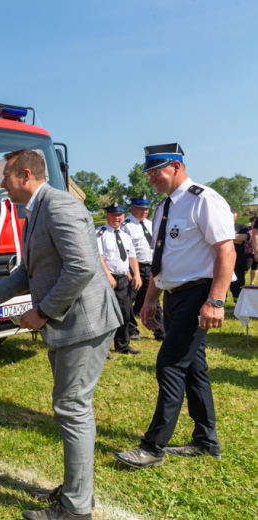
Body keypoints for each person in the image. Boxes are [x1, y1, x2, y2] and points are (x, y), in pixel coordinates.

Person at [0, 149, 121, 520]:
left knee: (72, 409)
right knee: (72, 409)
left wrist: (41, 313)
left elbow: (81, 268)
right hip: (70, 324)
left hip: (83, 323)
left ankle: (74, 508)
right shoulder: (37, 210)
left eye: (6, 177)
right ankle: (76, 491)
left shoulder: (58, 206)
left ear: (26, 175)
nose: (1, 185)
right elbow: (30, 271)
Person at [114, 143, 234, 469]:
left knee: (169, 363)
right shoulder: (162, 209)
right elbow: (163, 260)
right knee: (194, 368)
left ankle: (152, 447)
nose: (151, 177)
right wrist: (151, 301)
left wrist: (216, 301)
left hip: (199, 295)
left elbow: (226, 251)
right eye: (148, 172)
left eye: (157, 170)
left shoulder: (204, 199)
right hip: (174, 296)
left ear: (177, 167)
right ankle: (205, 441)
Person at [96, 203, 142, 355]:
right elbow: (99, 257)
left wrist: (137, 274)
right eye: (113, 214)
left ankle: (122, 345)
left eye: (119, 215)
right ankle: (103, 349)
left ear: (123, 216)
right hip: (106, 279)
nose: (116, 218)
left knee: (124, 312)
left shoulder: (126, 236)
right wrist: (108, 275)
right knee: (105, 314)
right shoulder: (100, 234)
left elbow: (132, 256)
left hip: (122, 279)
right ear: (107, 215)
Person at [123, 195, 166, 341]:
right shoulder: (125, 225)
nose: (144, 212)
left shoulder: (151, 223)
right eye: (141, 209)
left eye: (146, 209)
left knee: (154, 299)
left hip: (151, 266)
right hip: (134, 267)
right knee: (129, 299)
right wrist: (129, 271)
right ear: (133, 208)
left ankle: (160, 331)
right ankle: (131, 330)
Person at [230, 207, 250, 301]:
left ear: (236, 216)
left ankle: (238, 300)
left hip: (239, 257)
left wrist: (226, 238)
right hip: (223, 256)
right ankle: (222, 299)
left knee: (239, 279)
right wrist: (235, 238)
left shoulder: (242, 226)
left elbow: (243, 237)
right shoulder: (222, 226)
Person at [248, 216, 258, 284]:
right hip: (248, 251)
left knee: (254, 267)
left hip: (254, 250)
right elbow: (255, 235)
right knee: (247, 266)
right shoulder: (247, 229)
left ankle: (252, 283)